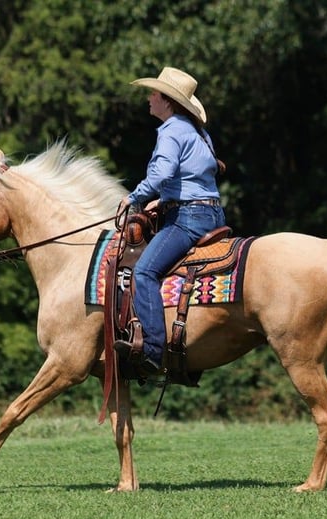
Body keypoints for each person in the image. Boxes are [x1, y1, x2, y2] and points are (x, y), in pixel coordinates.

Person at [114, 66, 227, 376]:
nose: (149, 98)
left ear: (167, 100)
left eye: (153, 93)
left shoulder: (171, 130)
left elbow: (162, 173)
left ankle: (151, 351)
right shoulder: (197, 132)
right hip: (212, 213)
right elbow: (195, 177)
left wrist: (134, 197)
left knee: (145, 272)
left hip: (188, 218)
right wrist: (162, 200)